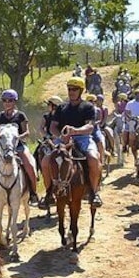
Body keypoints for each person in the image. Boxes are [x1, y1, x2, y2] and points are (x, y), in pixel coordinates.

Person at [38, 76, 104, 209]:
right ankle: (49, 193)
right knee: (45, 161)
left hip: (83, 138)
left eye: (74, 89)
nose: (71, 91)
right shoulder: (61, 107)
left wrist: (75, 131)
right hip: (63, 138)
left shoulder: (88, 107)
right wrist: (61, 136)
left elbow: (90, 127)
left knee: (93, 158)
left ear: (80, 90)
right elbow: (53, 127)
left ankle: (94, 191)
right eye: (69, 89)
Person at [0, 88, 39, 204]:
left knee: (29, 165)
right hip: (1, 147)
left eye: (10, 100)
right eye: (5, 100)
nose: (7, 103)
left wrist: (18, 137)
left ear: (15, 102)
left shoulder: (21, 116)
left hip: (18, 146)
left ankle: (33, 192)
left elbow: (27, 132)